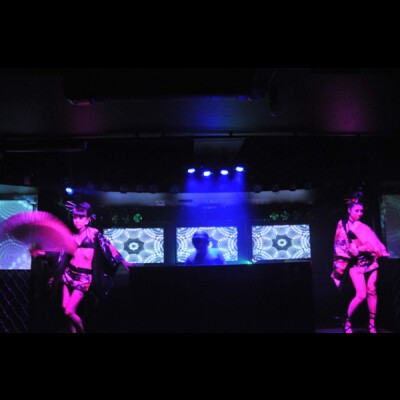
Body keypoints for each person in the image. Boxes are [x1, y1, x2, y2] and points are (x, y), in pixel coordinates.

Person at [31, 201, 135, 333]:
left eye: (81, 217)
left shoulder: (92, 233)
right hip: (68, 275)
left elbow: (108, 247)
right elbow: (59, 252)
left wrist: (123, 261)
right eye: (75, 217)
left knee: (69, 311)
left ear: (87, 220)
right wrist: (42, 253)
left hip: (83, 278)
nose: (77, 220)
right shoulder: (71, 236)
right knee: (65, 309)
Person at [331, 192, 389, 333]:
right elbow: (341, 246)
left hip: (371, 262)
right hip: (356, 264)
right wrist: (360, 248)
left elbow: (374, 243)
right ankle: (346, 321)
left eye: (361, 211)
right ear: (349, 210)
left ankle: (372, 323)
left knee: (372, 290)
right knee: (361, 294)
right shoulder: (343, 225)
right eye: (356, 210)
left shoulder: (364, 226)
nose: (360, 213)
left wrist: (377, 250)